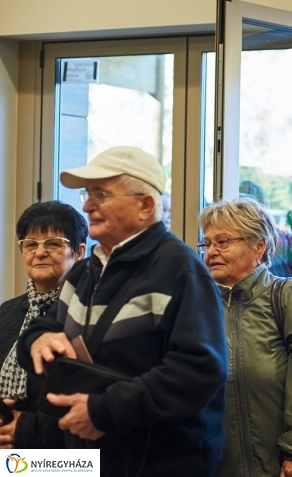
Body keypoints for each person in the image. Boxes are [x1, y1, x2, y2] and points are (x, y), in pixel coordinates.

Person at [19, 146, 228, 476]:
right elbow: (50, 324)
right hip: (90, 462)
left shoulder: (180, 268)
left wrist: (104, 412)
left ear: (145, 206)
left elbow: (199, 369)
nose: (87, 205)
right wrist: (38, 338)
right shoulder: (85, 270)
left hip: (161, 463)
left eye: (100, 194)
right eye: (88, 194)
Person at [200, 198, 292, 477]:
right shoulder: (199, 306)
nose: (212, 252)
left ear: (258, 246)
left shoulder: (290, 298)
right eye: (207, 244)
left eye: (223, 241)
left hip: (288, 468)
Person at [0, 202, 87, 450]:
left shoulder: (89, 313)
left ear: (79, 252)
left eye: (52, 243)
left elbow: (92, 401)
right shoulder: (7, 311)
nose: (39, 253)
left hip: (66, 458)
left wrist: (25, 430)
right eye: (30, 244)